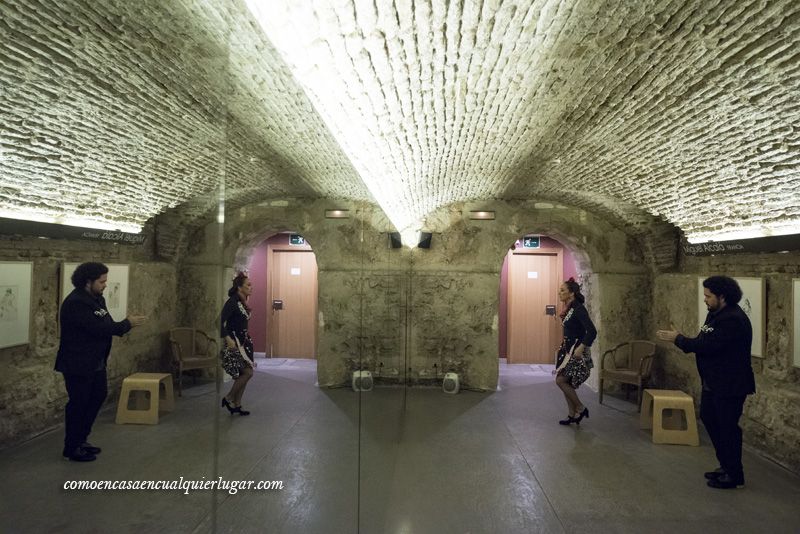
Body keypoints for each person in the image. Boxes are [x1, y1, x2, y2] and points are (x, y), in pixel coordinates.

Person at [656, 276, 755, 489]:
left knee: (728, 427)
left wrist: (678, 339)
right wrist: (684, 340)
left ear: (722, 296)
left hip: (730, 383)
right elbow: (702, 340)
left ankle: (734, 474)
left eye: (708, 296)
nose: (705, 300)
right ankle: (725, 465)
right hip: (713, 381)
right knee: (710, 418)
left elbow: (708, 346)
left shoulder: (733, 320)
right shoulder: (715, 315)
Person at [55, 262, 147, 462]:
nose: (105, 285)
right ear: (88, 282)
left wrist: (122, 325)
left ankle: (82, 439)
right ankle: (71, 447)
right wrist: (127, 324)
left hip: (95, 361)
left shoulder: (97, 299)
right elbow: (100, 329)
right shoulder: (76, 303)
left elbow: (107, 324)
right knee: (79, 403)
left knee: (97, 396)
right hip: (78, 363)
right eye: (102, 281)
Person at [555, 278, 597, 425]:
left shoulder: (578, 308)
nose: (559, 293)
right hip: (569, 350)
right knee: (566, 382)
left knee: (560, 381)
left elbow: (592, 331)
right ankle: (572, 415)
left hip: (577, 351)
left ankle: (580, 407)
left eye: (562, 290)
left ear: (571, 293)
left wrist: (582, 346)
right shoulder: (570, 308)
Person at [220, 272, 256, 416]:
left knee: (244, 373)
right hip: (235, 342)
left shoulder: (242, 302)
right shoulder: (232, 302)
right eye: (248, 285)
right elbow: (219, 322)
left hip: (244, 342)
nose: (251, 287)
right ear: (239, 287)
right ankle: (229, 398)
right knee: (248, 373)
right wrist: (227, 338)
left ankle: (237, 404)